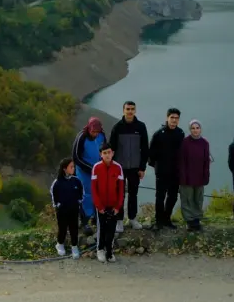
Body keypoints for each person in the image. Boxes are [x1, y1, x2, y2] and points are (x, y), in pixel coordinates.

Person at [108, 101, 149, 230]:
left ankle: (132, 219)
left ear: (135, 111)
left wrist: (142, 168)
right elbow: (111, 149)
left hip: (135, 168)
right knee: (119, 194)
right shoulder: (117, 127)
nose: (130, 111)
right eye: (127, 109)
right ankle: (119, 220)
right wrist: (112, 167)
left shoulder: (141, 127)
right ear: (123, 110)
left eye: (132, 109)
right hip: (119, 168)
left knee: (133, 194)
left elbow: (145, 149)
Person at [149, 108, 185, 230]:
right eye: (172, 117)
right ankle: (159, 221)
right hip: (162, 172)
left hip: (175, 172)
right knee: (160, 197)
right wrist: (158, 167)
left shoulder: (180, 133)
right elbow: (151, 154)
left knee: (173, 196)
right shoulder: (159, 134)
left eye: (176, 118)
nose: (174, 120)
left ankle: (166, 219)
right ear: (167, 118)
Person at [71, 117, 107, 236]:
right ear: (89, 129)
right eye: (93, 132)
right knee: (86, 196)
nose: (95, 134)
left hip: (99, 171)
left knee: (99, 194)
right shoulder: (81, 137)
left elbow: (105, 150)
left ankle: (96, 218)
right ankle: (84, 222)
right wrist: (91, 169)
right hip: (84, 172)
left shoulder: (102, 136)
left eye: (97, 132)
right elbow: (76, 157)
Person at [90, 143, 124, 263]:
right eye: (104, 153)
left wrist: (118, 206)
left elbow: (121, 189)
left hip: (113, 206)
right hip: (101, 206)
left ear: (113, 153)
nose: (107, 155)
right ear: (101, 155)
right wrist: (99, 206)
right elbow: (94, 189)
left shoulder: (118, 167)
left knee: (111, 230)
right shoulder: (96, 167)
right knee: (102, 229)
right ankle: (100, 250)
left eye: (109, 152)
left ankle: (109, 251)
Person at [177, 120, 212, 231]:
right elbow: (181, 161)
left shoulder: (205, 143)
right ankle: (189, 221)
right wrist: (182, 177)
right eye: (193, 128)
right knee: (187, 199)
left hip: (200, 176)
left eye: (197, 128)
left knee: (198, 199)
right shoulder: (185, 142)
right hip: (186, 177)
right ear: (190, 129)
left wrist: (206, 175)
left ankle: (197, 220)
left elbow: (206, 161)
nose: (195, 130)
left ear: (200, 129)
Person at [50, 158, 83, 259]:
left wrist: (78, 202)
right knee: (62, 228)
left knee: (74, 228)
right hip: (62, 211)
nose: (73, 168)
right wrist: (58, 205)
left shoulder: (76, 181)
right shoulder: (57, 182)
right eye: (71, 167)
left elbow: (82, 194)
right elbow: (53, 195)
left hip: (74, 209)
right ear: (65, 169)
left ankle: (74, 246)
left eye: (74, 167)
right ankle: (60, 244)